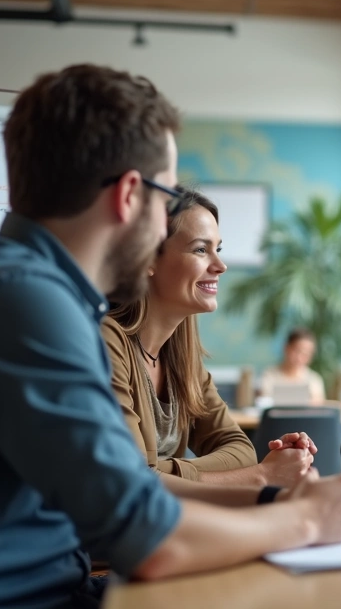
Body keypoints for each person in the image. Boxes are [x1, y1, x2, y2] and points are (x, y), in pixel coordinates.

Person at [0, 64, 341, 608]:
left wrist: (272, 496)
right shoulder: (26, 306)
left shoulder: (14, 286)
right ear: (130, 195)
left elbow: (136, 491)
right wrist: (304, 518)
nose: (162, 227)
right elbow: (150, 538)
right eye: (163, 202)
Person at [104, 188, 315, 487]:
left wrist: (159, 470)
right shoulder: (107, 341)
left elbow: (241, 450)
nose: (220, 266)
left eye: (219, 249)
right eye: (201, 250)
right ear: (147, 259)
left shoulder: (181, 356)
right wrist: (262, 475)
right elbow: (132, 483)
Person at [258, 327, 326, 404]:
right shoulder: (269, 375)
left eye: (306, 354)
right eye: (297, 351)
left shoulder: (314, 380)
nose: (300, 358)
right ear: (286, 348)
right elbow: (264, 401)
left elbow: (318, 405)